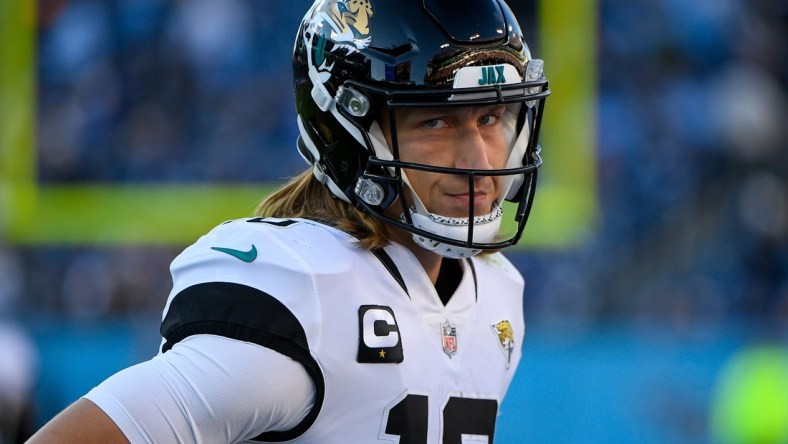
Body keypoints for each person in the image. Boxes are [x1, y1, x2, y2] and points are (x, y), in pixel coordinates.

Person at [28, 0, 549, 442]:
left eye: (490, 117)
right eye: (435, 121)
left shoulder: (498, 292)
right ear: (349, 132)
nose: (477, 158)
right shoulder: (306, 294)